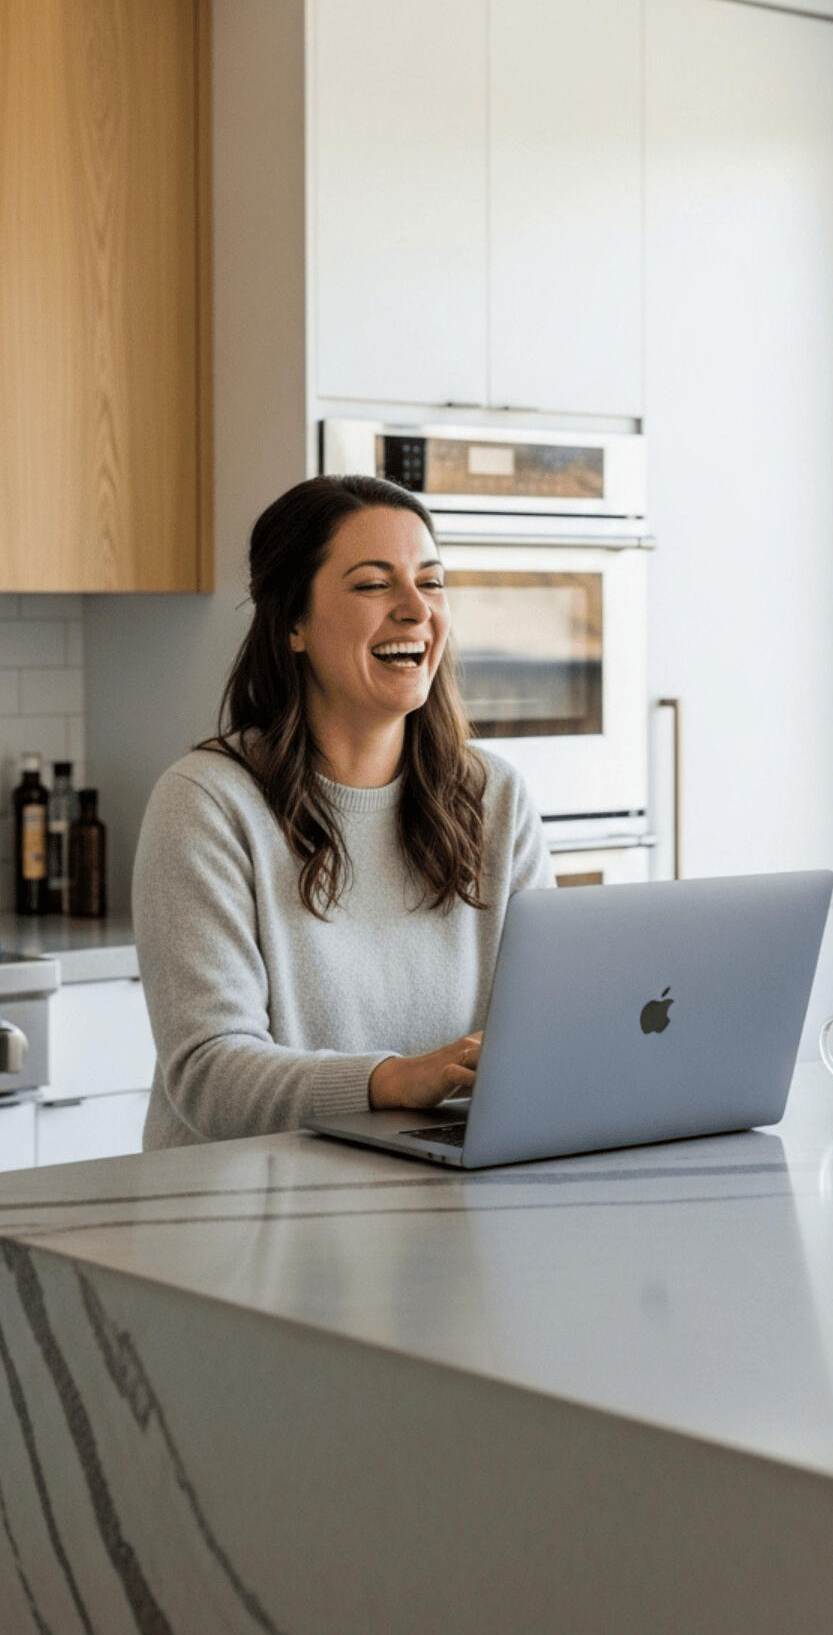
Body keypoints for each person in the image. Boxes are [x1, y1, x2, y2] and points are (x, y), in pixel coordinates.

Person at [132, 473, 555, 1149]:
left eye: (432, 581)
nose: (416, 610)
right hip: (242, 1228)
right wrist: (389, 1080)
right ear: (293, 622)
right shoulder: (208, 803)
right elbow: (208, 1075)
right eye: (372, 584)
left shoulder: (494, 798)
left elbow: (546, 1033)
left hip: (436, 1205)